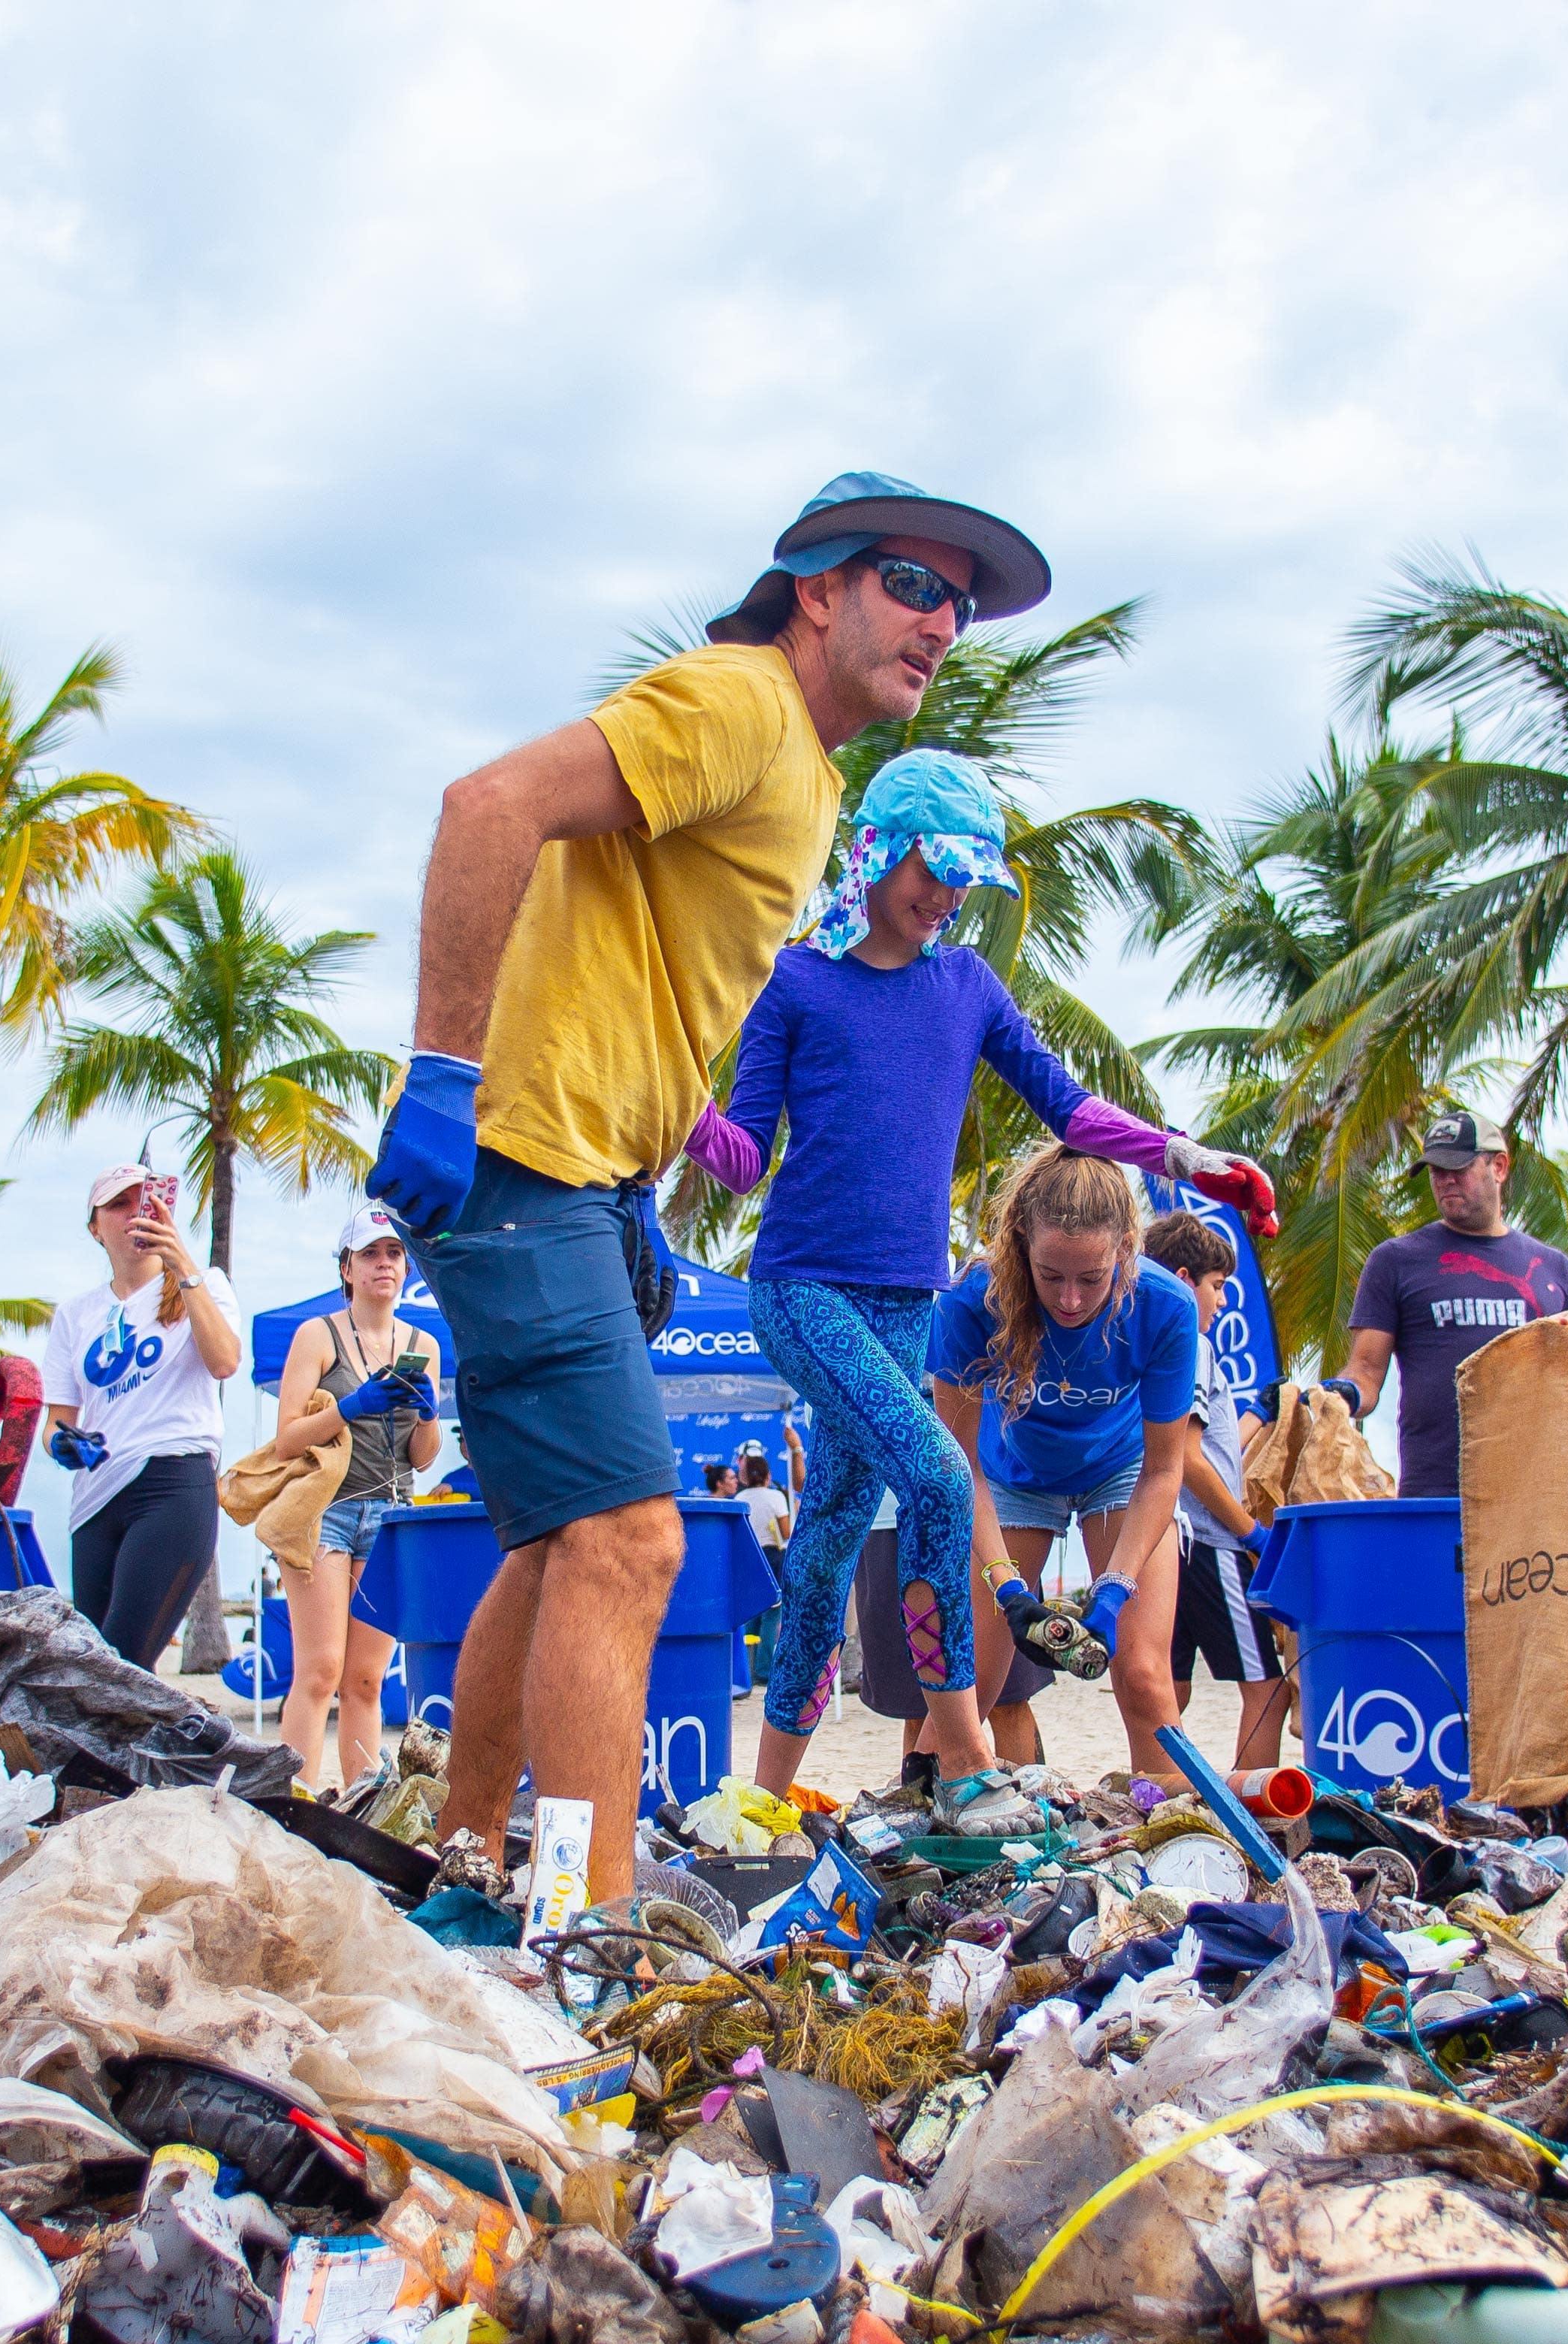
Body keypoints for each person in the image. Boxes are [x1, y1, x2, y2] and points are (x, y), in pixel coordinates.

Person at [361, 471, 1050, 1903]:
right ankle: (586, 1916)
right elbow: (486, 804)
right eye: (911, 583)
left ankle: (469, 1864)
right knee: (632, 1539)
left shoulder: (802, 776)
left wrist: (646, 1171)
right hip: (519, 1153)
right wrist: (441, 1071)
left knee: (559, 1543)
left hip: (586, 1174)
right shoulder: (743, 703)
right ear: (818, 587)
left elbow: (649, 982)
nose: (943, 619)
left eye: (961, 603)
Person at [694, 747, 1274, 1801]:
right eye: (933, 870)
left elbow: (1068, 1106)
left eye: (965, 879)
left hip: (906, 1302)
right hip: (802, 1290)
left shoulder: (966, 985)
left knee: (825, 1543)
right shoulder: (795, 981)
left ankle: (764, 1798)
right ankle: (963, 1754)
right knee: (935, 1475)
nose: (946, 897)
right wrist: (672, 1108)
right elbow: (740, 1161)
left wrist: (1183, 1157)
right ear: (876, 852)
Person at [927, 1148, 1207, 1789]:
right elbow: (956, 1466)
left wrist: (1113, 1589)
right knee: (967, 1687)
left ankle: (1175, 1841)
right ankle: (919, 1831)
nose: (1072, 1300)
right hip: (1011, 1475)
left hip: (1121, 1469)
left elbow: (1165, 1471)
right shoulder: (974, 1301)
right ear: (1021, 1243)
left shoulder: (1166, 1308)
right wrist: (1007, 1587)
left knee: (1140, 1673)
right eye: (1051, 1276)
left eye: (1094, 1277)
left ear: (1128, 1250)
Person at [37, 1166, 244, 1669]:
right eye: (119, 1205)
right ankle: (127, 1751)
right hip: (94, 1499)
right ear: (95, 1227)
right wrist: (63, 1443)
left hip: (173, 1480)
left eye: (145, 1200)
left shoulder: (204, 1283)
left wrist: (181, 1263)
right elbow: (55, 1422)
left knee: (121, 1663)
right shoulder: (75, 1314)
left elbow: (224, 1362)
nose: (135, 1214)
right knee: (93, 1666)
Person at [264, 1207, 442, 1789]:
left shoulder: (422, 1343)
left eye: (394, 1253)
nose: (384, 1264)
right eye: (370, 1254)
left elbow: (422, 1457)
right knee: (318, 1672)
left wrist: (426, 1414)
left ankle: (363, 1809)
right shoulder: (317, 1335)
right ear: (347, 1268)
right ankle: (296, 1806)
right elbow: (287, 1437)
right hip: (327, 1511)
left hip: (392, 1514)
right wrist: (351, 1405)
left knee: (367, 1681)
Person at [1340, 1107, 1568, 1499]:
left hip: (1534, 1496)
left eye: (1459, 1168)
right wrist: (1339, 1395)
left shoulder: (1554, 1269)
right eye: (1437, 1171)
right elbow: (1367, 1371)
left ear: (1499, 1167)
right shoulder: (1396, 1261)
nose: (1446, 1181)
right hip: (1435, 1491)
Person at [1147, 1209, 1293, 1771]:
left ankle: (1159, 1794)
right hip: (1210, 1542)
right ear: (1184, 1280)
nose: (1224, 1301)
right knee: (1268, 1690)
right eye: (1218, 1286)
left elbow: (1202, 1443)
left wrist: (1259, 1414)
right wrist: (1251, 1533)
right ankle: (1255, 1808)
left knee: (1168, 1689)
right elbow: (1189, 1461)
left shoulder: (1152, 1340)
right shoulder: (1195, 1343)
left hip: (1167, 1538)